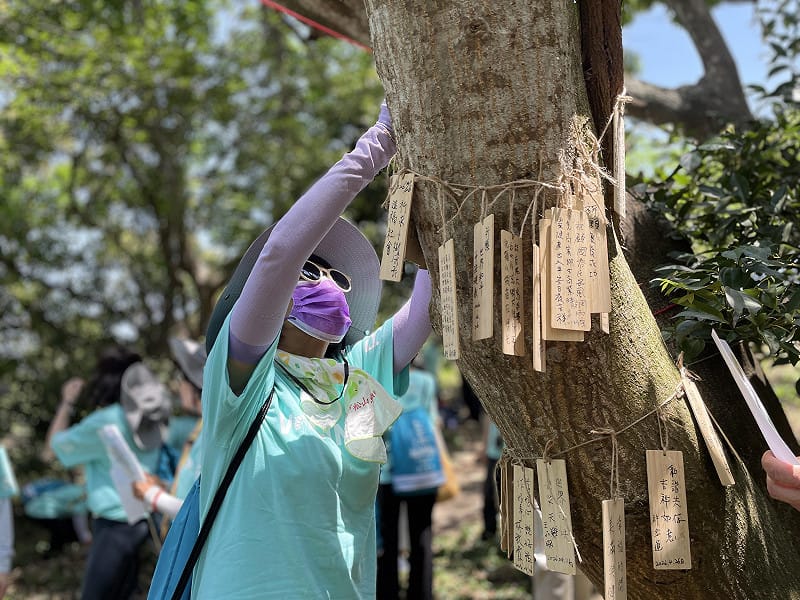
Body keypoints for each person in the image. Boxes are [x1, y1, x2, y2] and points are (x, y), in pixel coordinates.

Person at [189, 100, 432, 598]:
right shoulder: (243, 381)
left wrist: (438, 185)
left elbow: (431, 300)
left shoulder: (356, 382)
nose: (328, 284)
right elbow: (281, 252)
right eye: (311, 271)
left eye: (337, 276)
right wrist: (374, 148)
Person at [48, 346, 172, 600]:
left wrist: (67, 402)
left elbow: (54, 447)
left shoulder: (106, 421)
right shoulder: (152, 414)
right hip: (145, 521)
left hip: (114, 527)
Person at [377, 363, 440, 600]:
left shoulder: (377, 377)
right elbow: (434, 423)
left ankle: (387, 593)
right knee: (422, 534)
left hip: (388, 471)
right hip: (421, 470)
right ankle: (421, 593)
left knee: (388, 538)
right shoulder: (426, 381)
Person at [133, 337, 207, 520]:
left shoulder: (213, 434)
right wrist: (164, 486)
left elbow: (202, 513)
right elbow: (192, 493)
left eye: (181, 378)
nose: (179, 385)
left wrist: (153, 496)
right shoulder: (202, 428)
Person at [481, 417, 504, 542]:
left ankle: (510, 536)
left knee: (509, 496)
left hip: (512, 455)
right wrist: (484, 446)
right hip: (493, 453)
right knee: (489, 494)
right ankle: (489, 531)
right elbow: (487, 418)